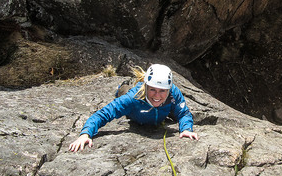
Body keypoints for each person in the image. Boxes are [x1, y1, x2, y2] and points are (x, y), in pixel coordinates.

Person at [69, 64, 198, 152]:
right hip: (134, 112)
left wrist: (186, 129)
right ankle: (124, 86)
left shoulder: (173, 93)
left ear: (169, 89)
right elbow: (104, 114)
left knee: (169, 109)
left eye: (162, 91)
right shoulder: (132, 99)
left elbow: (183, 113)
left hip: (161, 114)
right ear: (146, 86)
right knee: (124, 93)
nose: (157, 95)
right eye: (152, 89)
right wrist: (86, 134)